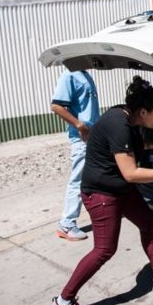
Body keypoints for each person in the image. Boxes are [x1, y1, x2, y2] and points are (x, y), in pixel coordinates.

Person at [50, 76, 153, 305]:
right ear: (144, 111)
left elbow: (127, 147)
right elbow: (130, 172)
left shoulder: (125, 116)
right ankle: (64, 301)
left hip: (119, 189)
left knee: (148, 222)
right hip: (102, 194)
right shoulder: (120, 125)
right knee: (104, 250)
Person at [51, 70, 100, 241]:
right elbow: (56, 106)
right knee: (78, 180)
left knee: (93, 177)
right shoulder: (69, 76)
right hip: (81, 139)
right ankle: (66, 223)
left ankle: (103, 211)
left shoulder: (85, 75)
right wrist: (79, 124)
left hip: (92, 136)